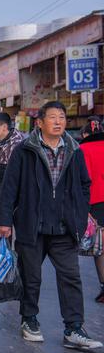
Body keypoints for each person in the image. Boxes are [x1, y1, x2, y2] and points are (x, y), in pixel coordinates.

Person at [0, 101, 102, 350]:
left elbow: (84, 185)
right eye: (53, 117)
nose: (58, 122)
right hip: (32, 225)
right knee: (31, 278)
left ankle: (74, 328)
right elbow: (9, 187)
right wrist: (4, 221)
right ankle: (29, 319)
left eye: (62, 117)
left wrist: (80, 213)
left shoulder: (75, 150)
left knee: (71, 277)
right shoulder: (25, 150)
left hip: (64, 227)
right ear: (40, 122)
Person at [79, 118, 104, 303]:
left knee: (101, 248)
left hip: (96, 202)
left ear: (85, 135)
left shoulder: (83, 150)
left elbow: (83, 181)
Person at [0, 113, 26, 204]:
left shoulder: (17, 145)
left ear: (4, 127)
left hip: (14, 204)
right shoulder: (0, 143)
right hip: (2, 201)